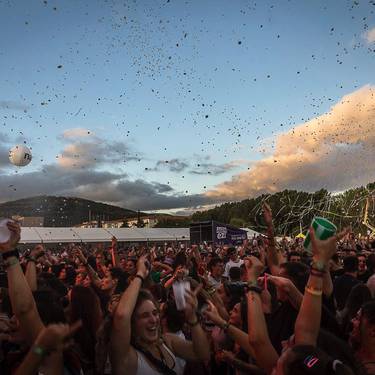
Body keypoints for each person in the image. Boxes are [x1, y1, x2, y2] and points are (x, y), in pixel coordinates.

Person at [110, 255, 210, 375]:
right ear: (132, 322)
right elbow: (121, 315)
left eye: (155, 313)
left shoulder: (167, 341)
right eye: (144, 315)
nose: (153, 319)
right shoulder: (128, 358)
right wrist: (140, 274)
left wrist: (192, 318)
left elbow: (203, 354)